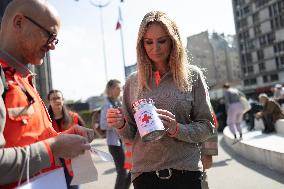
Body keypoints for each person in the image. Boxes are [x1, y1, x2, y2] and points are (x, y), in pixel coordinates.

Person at [106, 11, 216, 189]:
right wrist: (120, 125)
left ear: (173, 40)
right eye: (148, 42)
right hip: (145, 176)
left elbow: (207, 126)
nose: (155, 48)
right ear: (141, 44)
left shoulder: (193, 75)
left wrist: (177, 128)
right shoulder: (133, 82)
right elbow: (130, 135)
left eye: (162, 41)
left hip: (186, 172)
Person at [0, 0, 94, 187]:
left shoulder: (23, 80)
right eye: (49, 35)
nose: (52, 46)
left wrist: (61, 138)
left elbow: (27, 139)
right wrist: (54, 148)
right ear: (19, 22)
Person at [47, 89, 86, 189]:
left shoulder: (74, 117)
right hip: (53, 165)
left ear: (63, 100)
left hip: (73, 163)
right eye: (53, 98)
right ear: (49, 101)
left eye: (58, 98)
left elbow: (86, 135)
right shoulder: (45, 120)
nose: (56, 100)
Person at [100, 79, 131, 189]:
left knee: (132, 169)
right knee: (122, 171)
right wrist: (117, 124)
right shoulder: (107, 105)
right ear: (111, 89)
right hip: (114, 144)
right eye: (118, 88)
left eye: (121, 88)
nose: (120, 90)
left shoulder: (119, 103)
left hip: (123, 141)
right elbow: (103, 124)